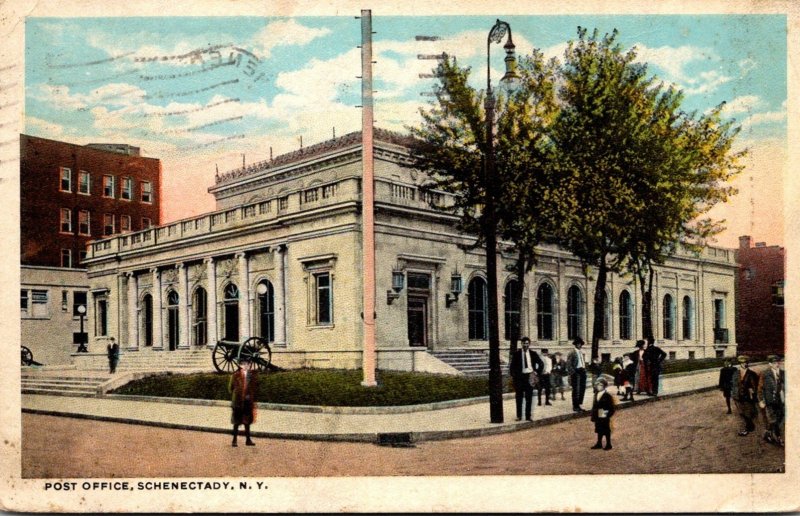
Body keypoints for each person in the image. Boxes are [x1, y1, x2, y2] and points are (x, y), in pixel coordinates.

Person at [509, 337, 544, 421]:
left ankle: (528, 416)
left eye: (527, 343)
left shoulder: (533, 353)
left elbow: (541, 364)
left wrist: (536, 372)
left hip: (529, 377)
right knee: (519, 397)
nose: (525, 345)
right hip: (520, 378)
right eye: (524, 343)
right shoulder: (517, 354)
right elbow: (512, 367)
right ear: (521, 344)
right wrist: (515, 377)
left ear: (529, 344)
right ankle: (519, 416)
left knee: (529, 397)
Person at [229, 357, 258, 447]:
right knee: (236, 422)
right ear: (240, 365)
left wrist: (250, 397)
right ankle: (234, 440)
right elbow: (230, 388)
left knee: (247, 422)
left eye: (248, 364)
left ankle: (248, 440)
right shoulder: (235, 375)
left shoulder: (252, 376)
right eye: (244, 364)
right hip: (237, 402)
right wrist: (237, 395)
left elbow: (255, 388)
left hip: (247, 402)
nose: (246, 366)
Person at [758, 355, 785, 446]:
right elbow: (760, 388)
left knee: (781, 416)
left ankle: (768, 432)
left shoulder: (782, 373)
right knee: (773, 419)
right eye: (774, 363)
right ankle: (778, 437)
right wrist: (761, 400)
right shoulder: (765, 373)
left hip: (779, 400)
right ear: (770, 364)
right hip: (769, 400)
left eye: (778, 362)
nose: (777, 364)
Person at [730, 355, 759, 437]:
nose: (744, 364)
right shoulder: (736, 373)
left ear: (747, 363)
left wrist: (752, 392)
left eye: (746, 362)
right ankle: (749, 426)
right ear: (740, 364)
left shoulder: (752, 374)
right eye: (742, 363)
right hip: (738, 397)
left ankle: (746, 428)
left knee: (748, 413)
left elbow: (755, 386)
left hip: (748, 397)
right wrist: (733, 394)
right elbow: (733, 384)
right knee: (741, 413)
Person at [590, 377, 616, 450]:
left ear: (604, 386)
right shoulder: (596, 394)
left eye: (601, 385)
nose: (599, 386)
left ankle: (608, 444)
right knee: (598, 428)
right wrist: (593, 414)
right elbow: (594, 405)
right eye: (598, 385)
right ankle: (599, 443)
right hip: (597, 413)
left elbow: (611, 407)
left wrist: (607, 415)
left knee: (606, 429)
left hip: (603, 412)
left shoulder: (607, 395)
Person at [567, 338, 588, 412]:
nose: (579, 345)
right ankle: (575, 406)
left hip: (582, 371)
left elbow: (582, 362)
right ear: (575, 345)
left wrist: (584, 370)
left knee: (582, 388)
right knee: (576, 389)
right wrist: (573, 373)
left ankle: (579, 404)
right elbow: (569, 365)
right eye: (578, 344)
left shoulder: (581, 352)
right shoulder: (572, 353)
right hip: (576, 372)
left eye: (580, 344)